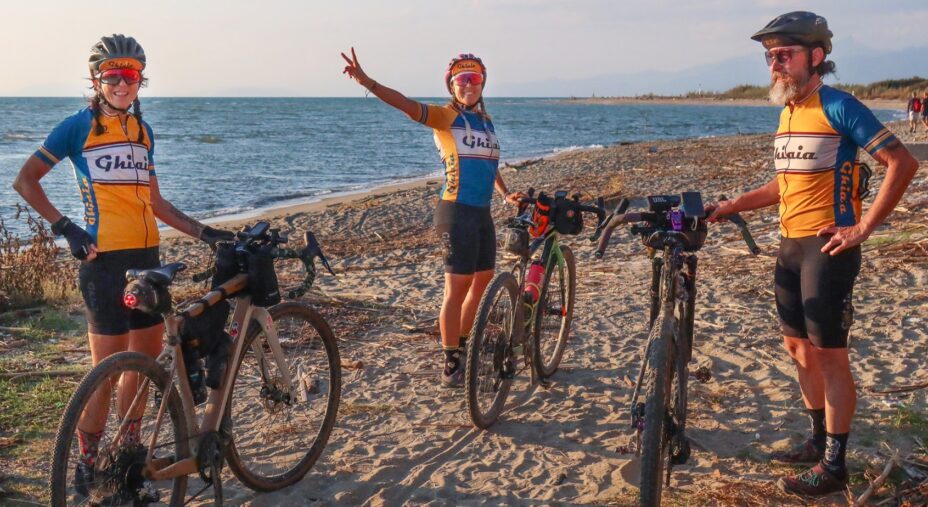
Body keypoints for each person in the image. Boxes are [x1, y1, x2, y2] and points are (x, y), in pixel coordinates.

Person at [707, 12, 919, 496]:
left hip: (829, 249)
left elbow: (900, 162)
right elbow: (785, 185)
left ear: (816, 56)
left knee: (829, 357)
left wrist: (863, 227)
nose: (774, 65)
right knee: (796, 348)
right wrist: (733, 204)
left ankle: (835, 464)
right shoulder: (787, 114)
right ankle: (818, 440)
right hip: (790, 248)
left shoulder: (838, 106)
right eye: (769, 56)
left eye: (784, 55)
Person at [12, 34, 232, 499]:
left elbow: (156, 204)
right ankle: (89, 467)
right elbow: (25, 180)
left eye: (129, 76)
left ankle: (128, 458)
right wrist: (64, 227)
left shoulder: (142, 132)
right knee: (107, 374)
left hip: (147, 262)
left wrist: (204, 232)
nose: (121, 83)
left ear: (139, 81)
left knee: (143, 367)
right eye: (112, 76)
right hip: (104, 263)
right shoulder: (77, 127)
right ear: (97, 80)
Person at [340, 48, 523, 387]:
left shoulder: (485, 121)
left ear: (483, 84)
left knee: (482, 282)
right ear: (452, 85)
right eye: (462, 79)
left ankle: (465, 344)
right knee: (457, 288)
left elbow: (489, 163)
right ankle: (451, 359)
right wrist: (367, 82)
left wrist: (505, 193)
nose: (469, 84)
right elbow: (404, 104)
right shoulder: (444, 117)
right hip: (455, 212)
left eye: (476, 79)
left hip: (482, 212)